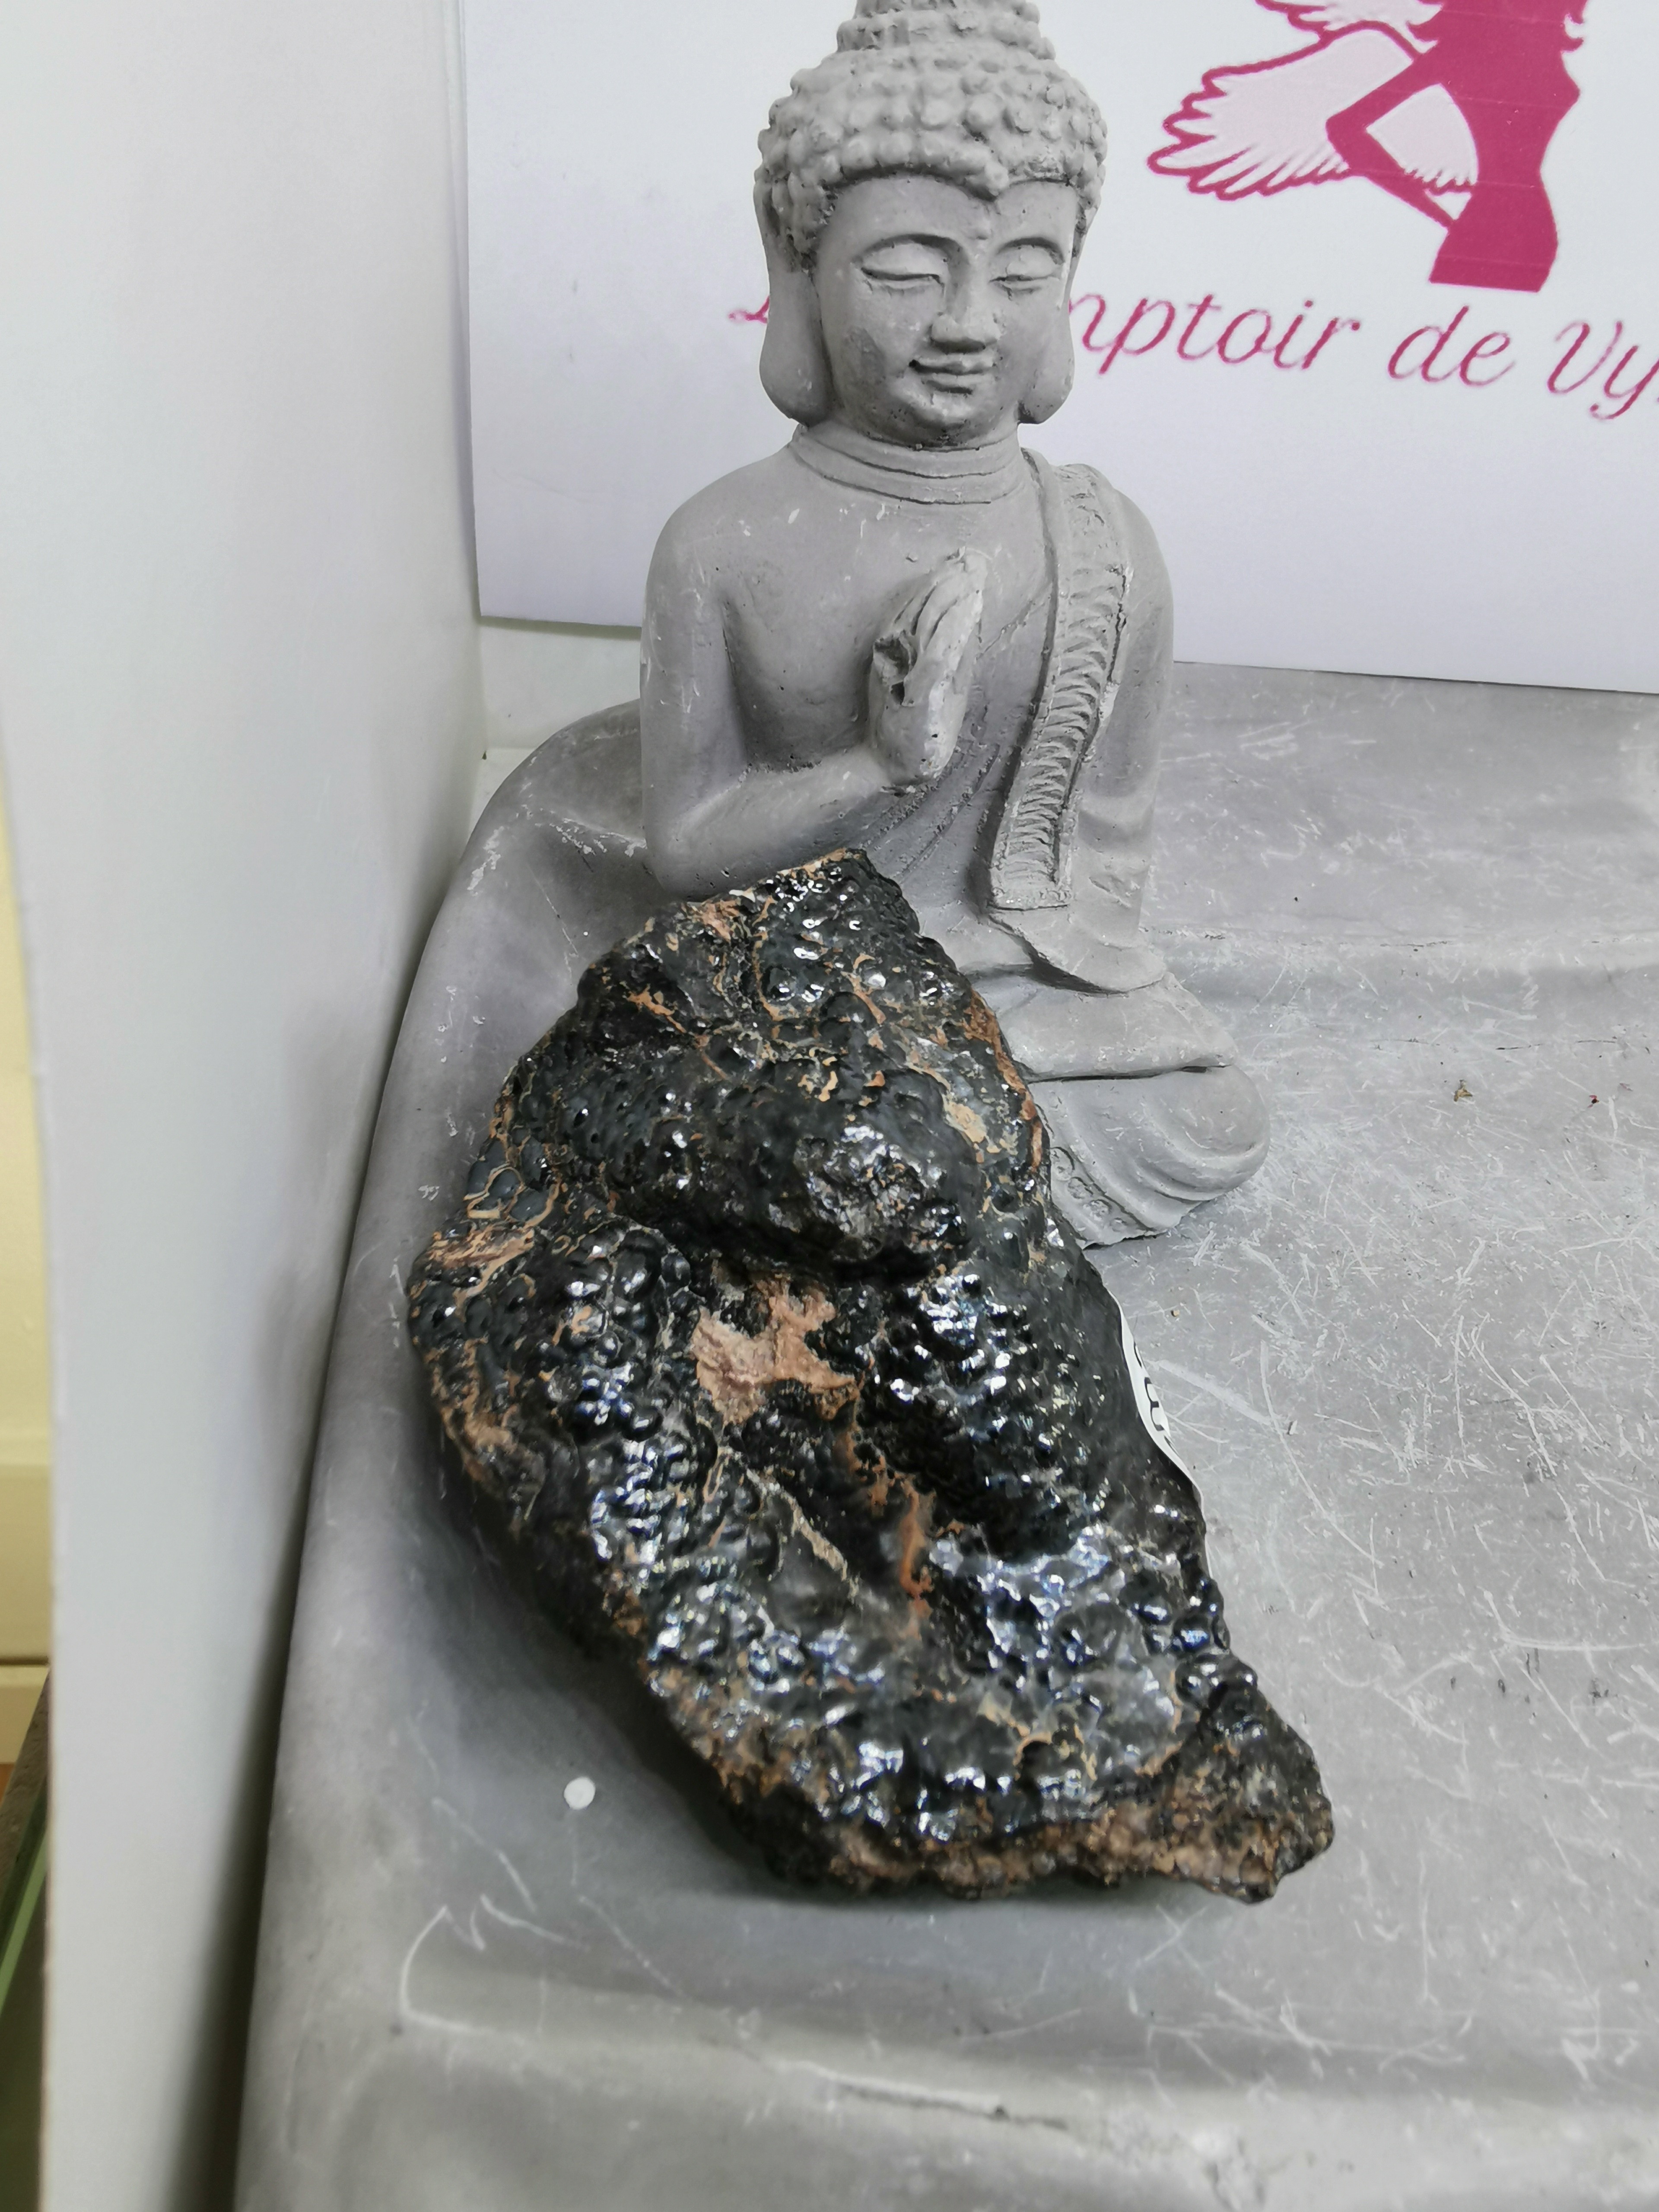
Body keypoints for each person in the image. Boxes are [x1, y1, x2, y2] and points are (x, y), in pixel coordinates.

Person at [639, 0, 1269, 1247]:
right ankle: (924, 1190)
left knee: (1209, 1116)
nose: (970, 321)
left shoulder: (1104, 544)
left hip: (1024, 998)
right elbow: (684, 849)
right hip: (796, 987)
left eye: (1023, 270)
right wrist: (878, 769)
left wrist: (1032, 966)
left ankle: (905, 1191)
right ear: (797, 265)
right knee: (739, 1107)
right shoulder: (721, 542)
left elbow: (1107, 866)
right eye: (906, 271)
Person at [1326, 0, 1586, 292]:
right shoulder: (1467, 54)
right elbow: (1344, 128)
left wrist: (1432, 210)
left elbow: (1344, 128)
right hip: (1519, 223)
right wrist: (1429, 208)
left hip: (1507, 225)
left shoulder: (1472, 54)